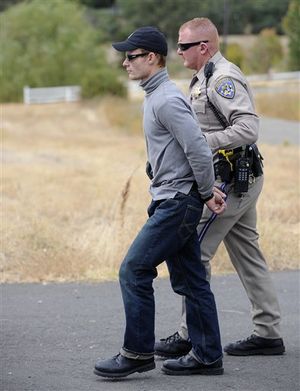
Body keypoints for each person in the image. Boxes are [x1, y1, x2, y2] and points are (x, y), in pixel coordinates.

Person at [93, 26, 226, 378]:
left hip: (177, 203)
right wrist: (195, 186)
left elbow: (197, 147)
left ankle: (137, 353)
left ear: (151, 58)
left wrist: (202, 191)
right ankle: (208, 354)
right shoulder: (156, 97)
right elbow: (176, 150)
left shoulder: (166, 98)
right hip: (173, 197)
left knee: (134, 269)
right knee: (191, 280)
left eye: (131, 56)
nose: (125, 63)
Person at [155, 17, 285, 359]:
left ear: (204, 47)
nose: (178, 52)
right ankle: (268, 331)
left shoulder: (222, 78)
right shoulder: (203, 77)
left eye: (183, 46)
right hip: (238, 177)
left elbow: (248, 128)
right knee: (248, 253)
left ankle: (190, 335)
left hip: (231, 181)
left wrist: (201, 142)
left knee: (192, 251)